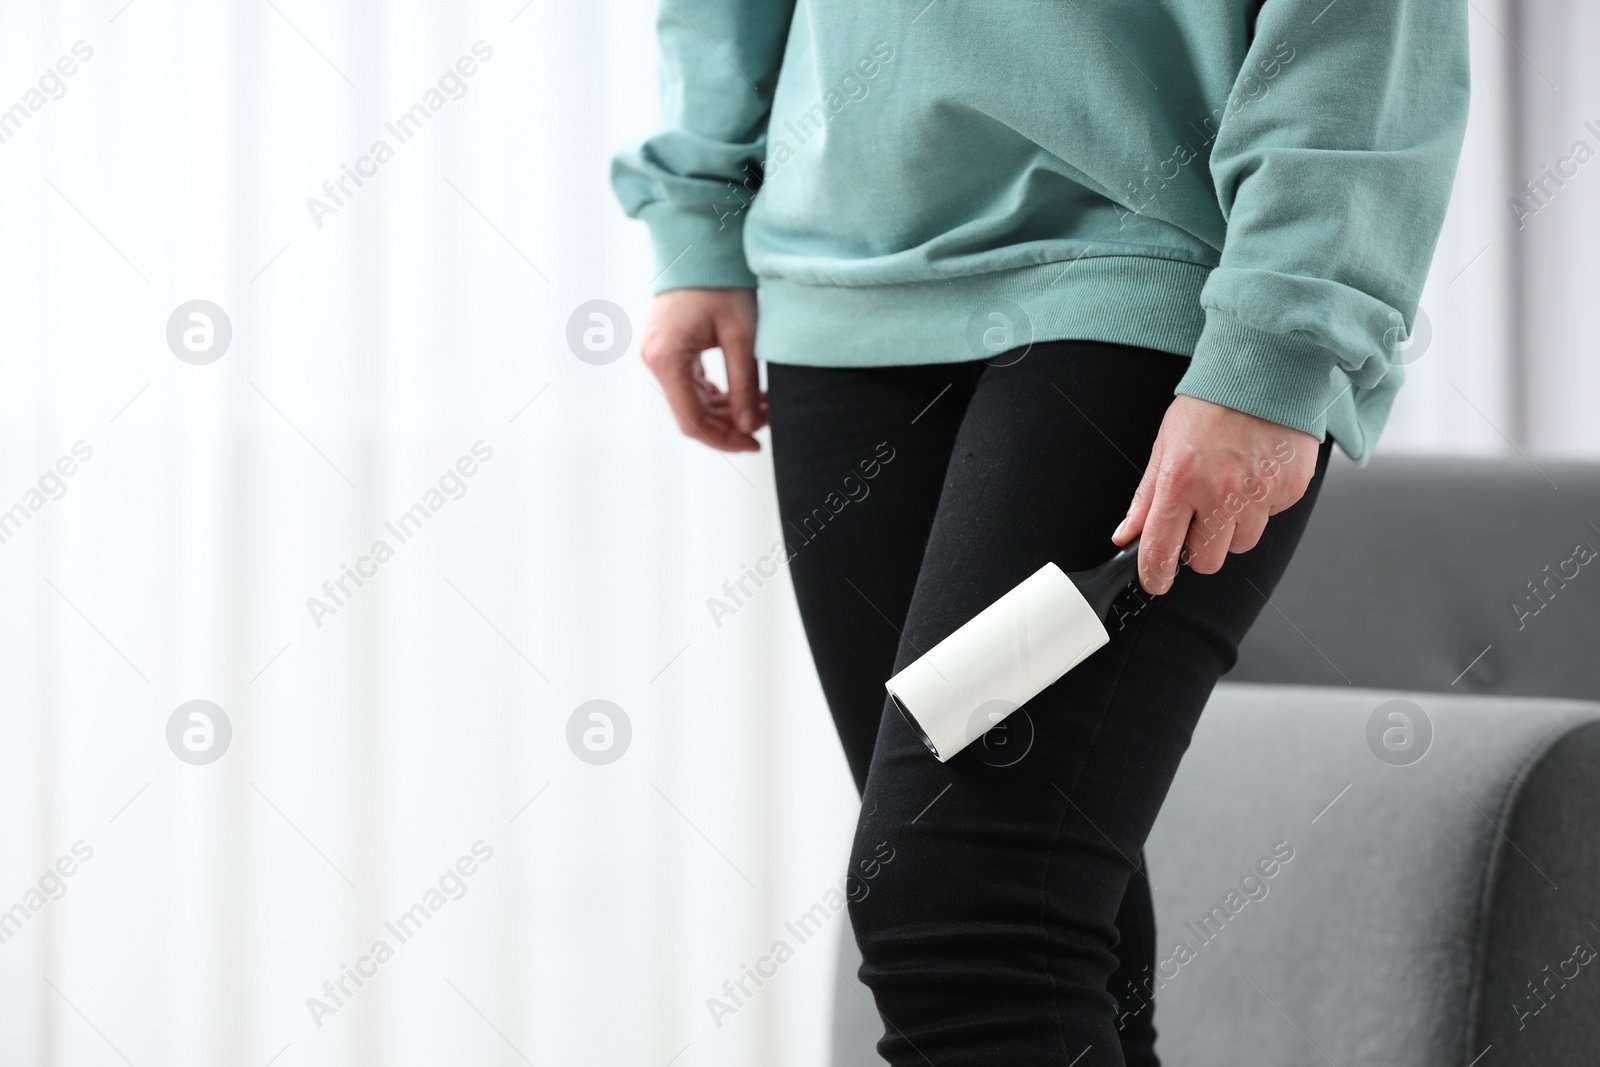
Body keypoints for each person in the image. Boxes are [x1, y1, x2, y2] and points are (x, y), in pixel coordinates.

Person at [612, 2, 1469, 1063]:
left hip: (1149, 290)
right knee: (1046, 917)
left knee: (960, 908)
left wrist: (1280, 346)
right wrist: (700, 207)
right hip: (838, 299)